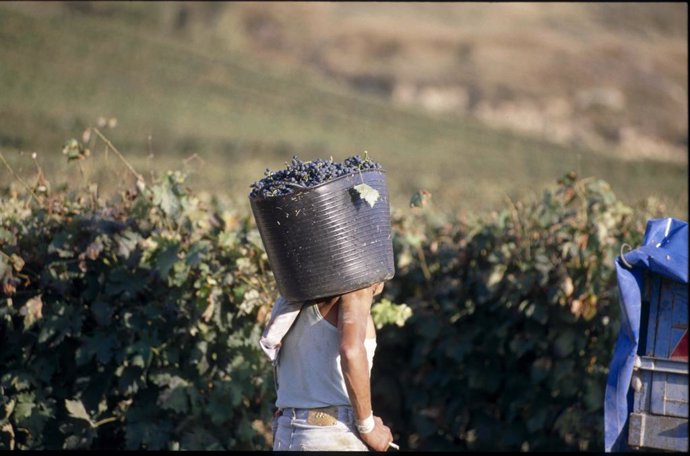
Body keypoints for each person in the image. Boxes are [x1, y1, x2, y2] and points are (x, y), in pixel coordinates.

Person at [260, 282, 395, 451]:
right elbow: (351, 351)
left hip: (287, 433)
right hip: (331, 435)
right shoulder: (356, 290)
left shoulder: (292, 299)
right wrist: (368, 426)